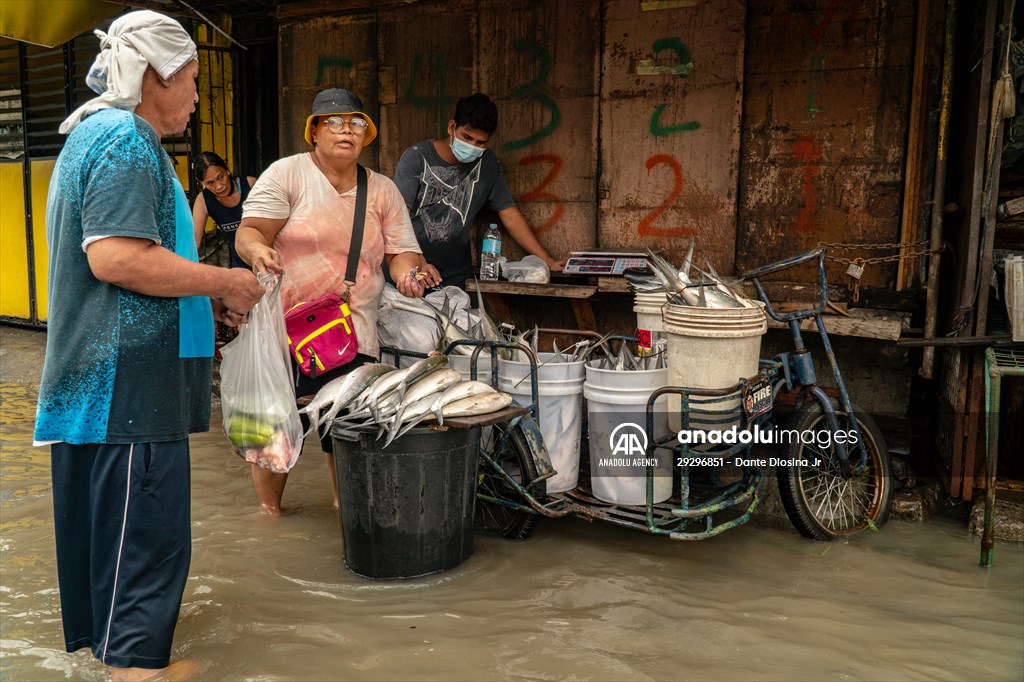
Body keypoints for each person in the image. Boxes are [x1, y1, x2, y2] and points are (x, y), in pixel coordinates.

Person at [33, 11, 264, 682]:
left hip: (95, 399)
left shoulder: (88, 134)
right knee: (145, 575)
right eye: (191, 80)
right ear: (157, 76)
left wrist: (205, 299)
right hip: (126, 399)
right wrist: (227, 279)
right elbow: (117, 258)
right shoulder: (128, 139)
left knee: (115, 583)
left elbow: (126, 261)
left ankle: (122, 663)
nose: (195, 96)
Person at [235, 87, 426, 514]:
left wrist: (409, 276)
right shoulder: (287, 175)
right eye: (335, 122)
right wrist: (257, 251)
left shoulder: (382, 191)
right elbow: (249, 232)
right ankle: (270, 516)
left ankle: (348, 511)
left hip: (351, 331)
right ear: (314, 131)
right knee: (276, 430)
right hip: (286, 329)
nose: (347, 131)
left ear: (366, 135)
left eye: (357, 124)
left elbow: (400, 254)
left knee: (346, 430)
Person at [392, 92, 565, 289]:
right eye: (467, 137)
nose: (472, 146)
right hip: (409, 271)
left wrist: (547, 260)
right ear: (451, 127)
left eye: (480, 142)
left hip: (454, 277)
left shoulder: (488, 164)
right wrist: (418, 261)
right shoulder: (416, 158)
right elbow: (397, 220)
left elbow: (509, 214)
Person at [192, 151, 258, 268]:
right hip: (240, 263)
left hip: (266, 253)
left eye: (221, 177)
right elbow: (194, 240)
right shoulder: (203, 201)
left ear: (227, 170)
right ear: (202, 184)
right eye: (210, 183)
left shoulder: (251, 185)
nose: (219, 186)